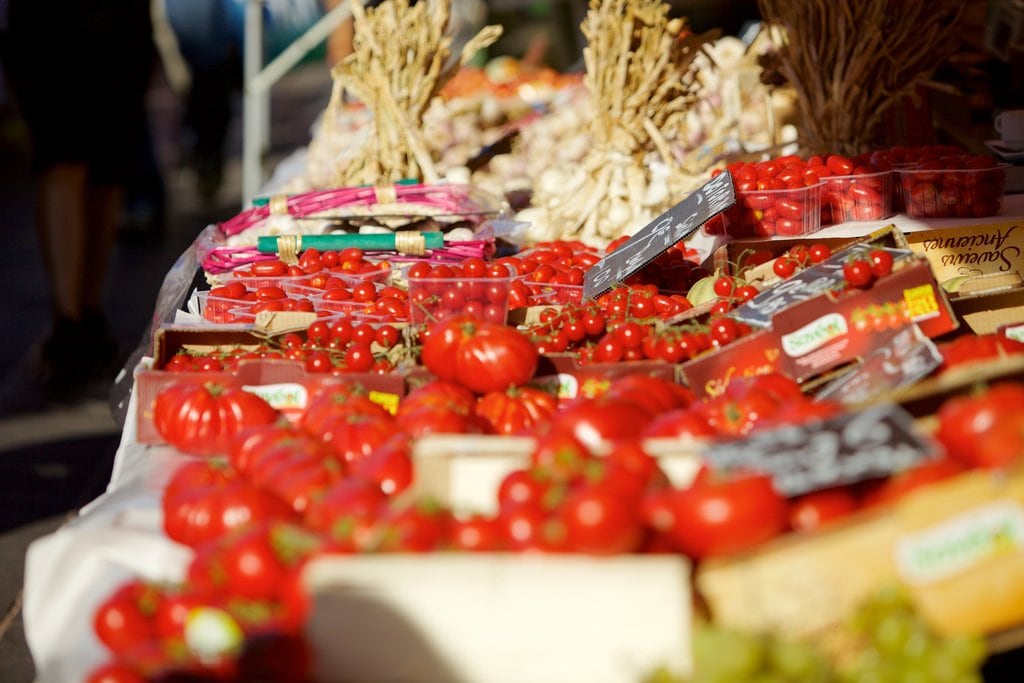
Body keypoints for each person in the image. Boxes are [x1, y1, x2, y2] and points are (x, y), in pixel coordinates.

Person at [0, 0, 157, 394]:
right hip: (51, 24)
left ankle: (86, 317)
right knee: (64, 159)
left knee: (107, 168)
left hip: (117, 24)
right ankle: (69, 324)